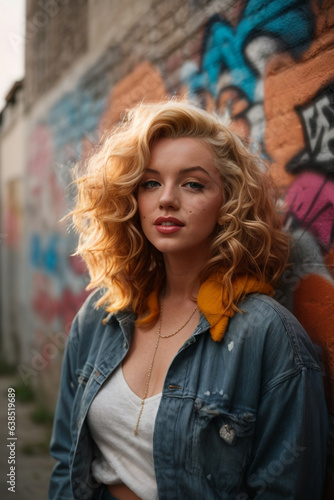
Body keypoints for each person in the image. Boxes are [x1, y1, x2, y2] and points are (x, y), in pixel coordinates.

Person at [48, 100, 328, 500]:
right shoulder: (99, 316)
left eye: (193, 184)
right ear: (132, 199)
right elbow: (64, 458)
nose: (166, 199)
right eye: (150, 183)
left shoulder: (269, 336)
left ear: (228, 202)